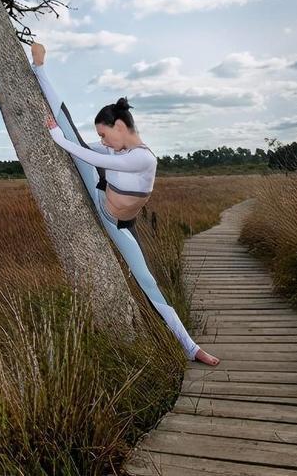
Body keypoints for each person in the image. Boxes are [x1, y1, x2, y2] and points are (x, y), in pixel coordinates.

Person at [30, 41, 220, 366]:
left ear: (120, 126)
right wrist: (65, 136)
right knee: (70, 132)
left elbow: (85, 151)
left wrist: (62, 141)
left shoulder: (143, 160)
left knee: (147, 281)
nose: (104, 141)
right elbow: (80, 143)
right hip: (100, 195)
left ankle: (191, 347)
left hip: (119, 224)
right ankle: (40, 68)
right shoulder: (114, 151)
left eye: (105, 135)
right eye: (101, 138)